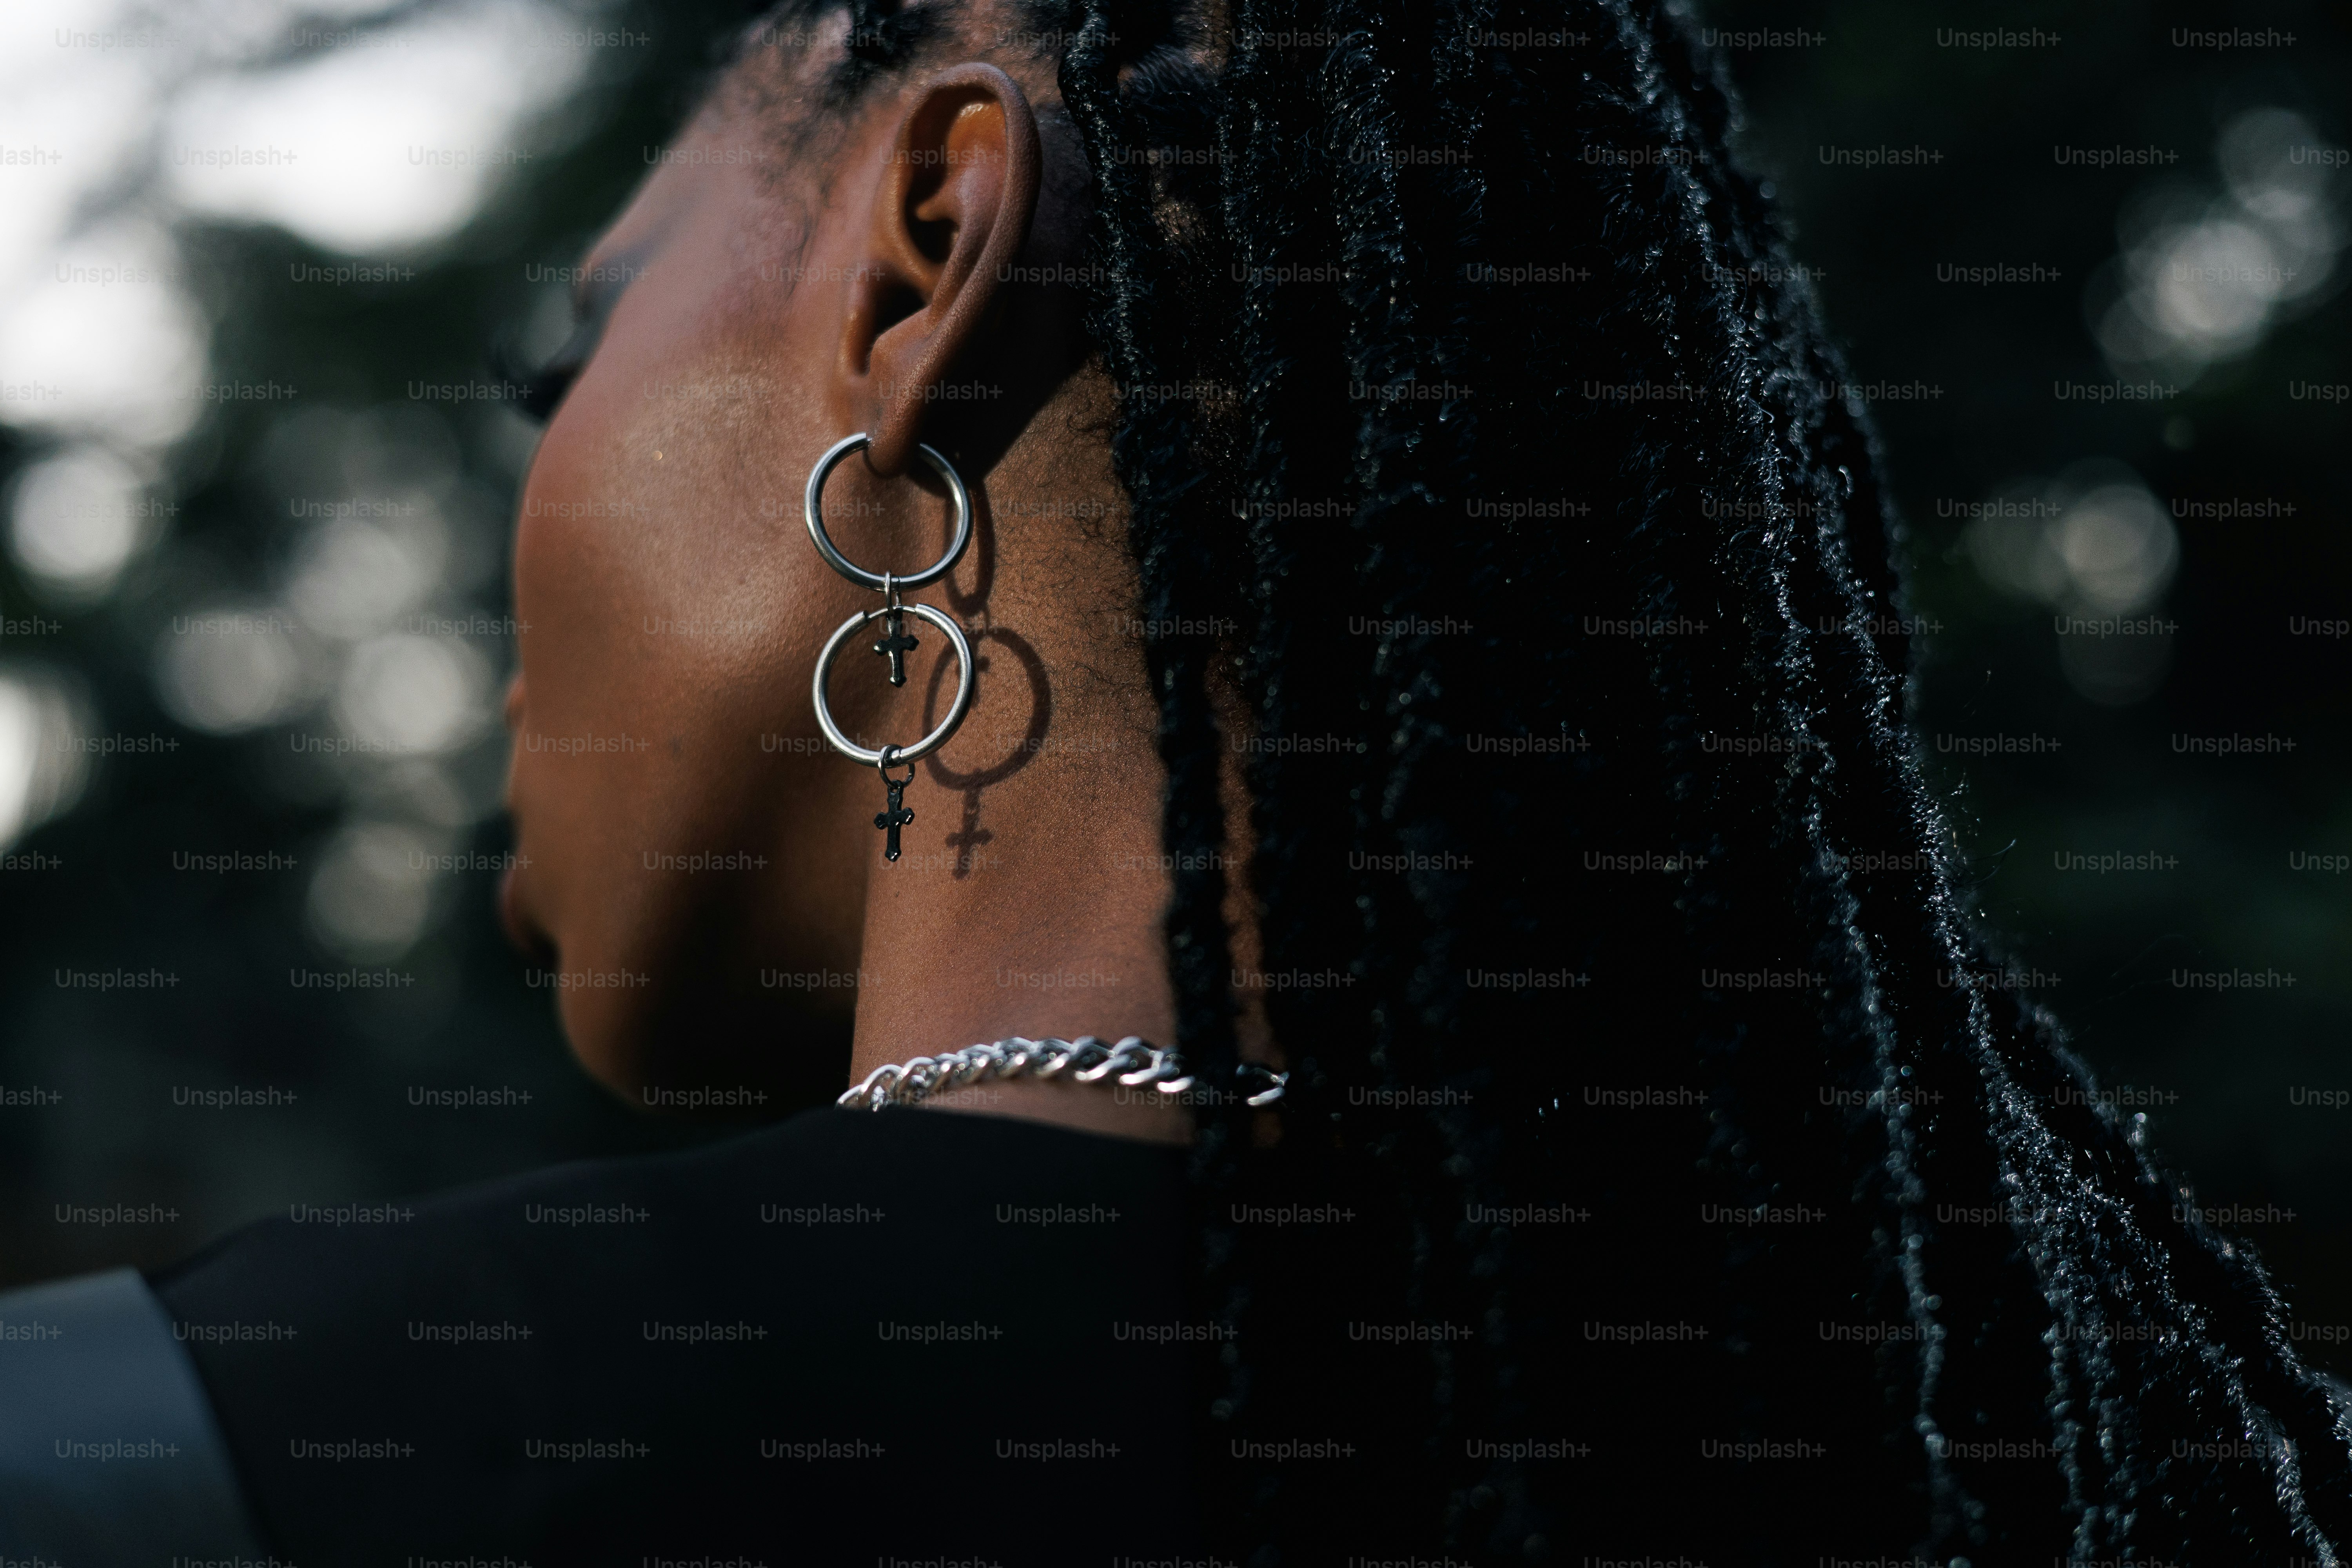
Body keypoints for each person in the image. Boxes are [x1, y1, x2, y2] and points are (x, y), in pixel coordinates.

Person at [5, 0, 2348, 1561]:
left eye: (561, 356)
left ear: (930, 256)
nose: (517, 516)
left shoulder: (225, 1457)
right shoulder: (2065, 1469)